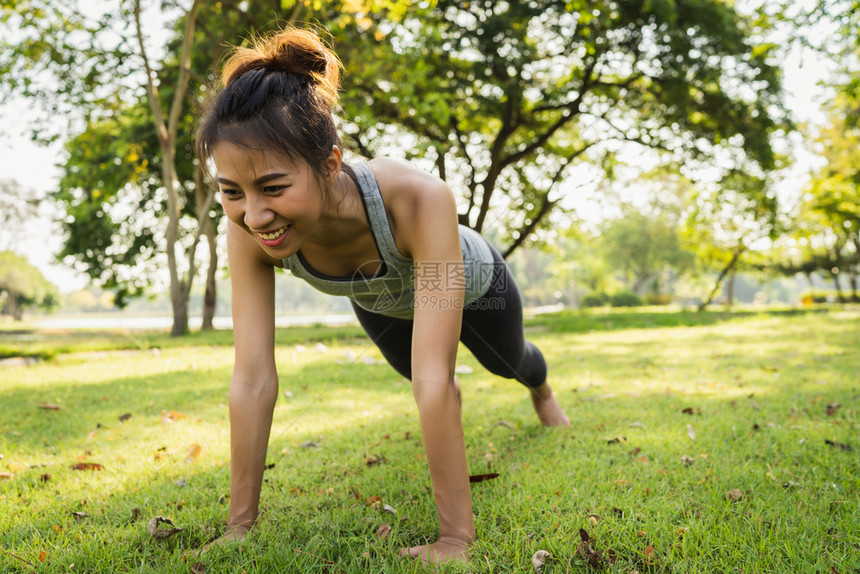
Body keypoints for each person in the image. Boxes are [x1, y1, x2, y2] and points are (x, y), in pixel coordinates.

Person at [195, 26, 570, 564]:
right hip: (384, 303)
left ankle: (541, 389)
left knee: (508, 363)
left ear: (329, 164)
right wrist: (238, 527)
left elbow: (434, 378)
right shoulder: (250, 229)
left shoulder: (417, 199)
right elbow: (252, 378)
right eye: (233, 192)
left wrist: (455, 541)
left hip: (476, 286)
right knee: (424, 381)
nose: (254, 214)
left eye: (273, 188)